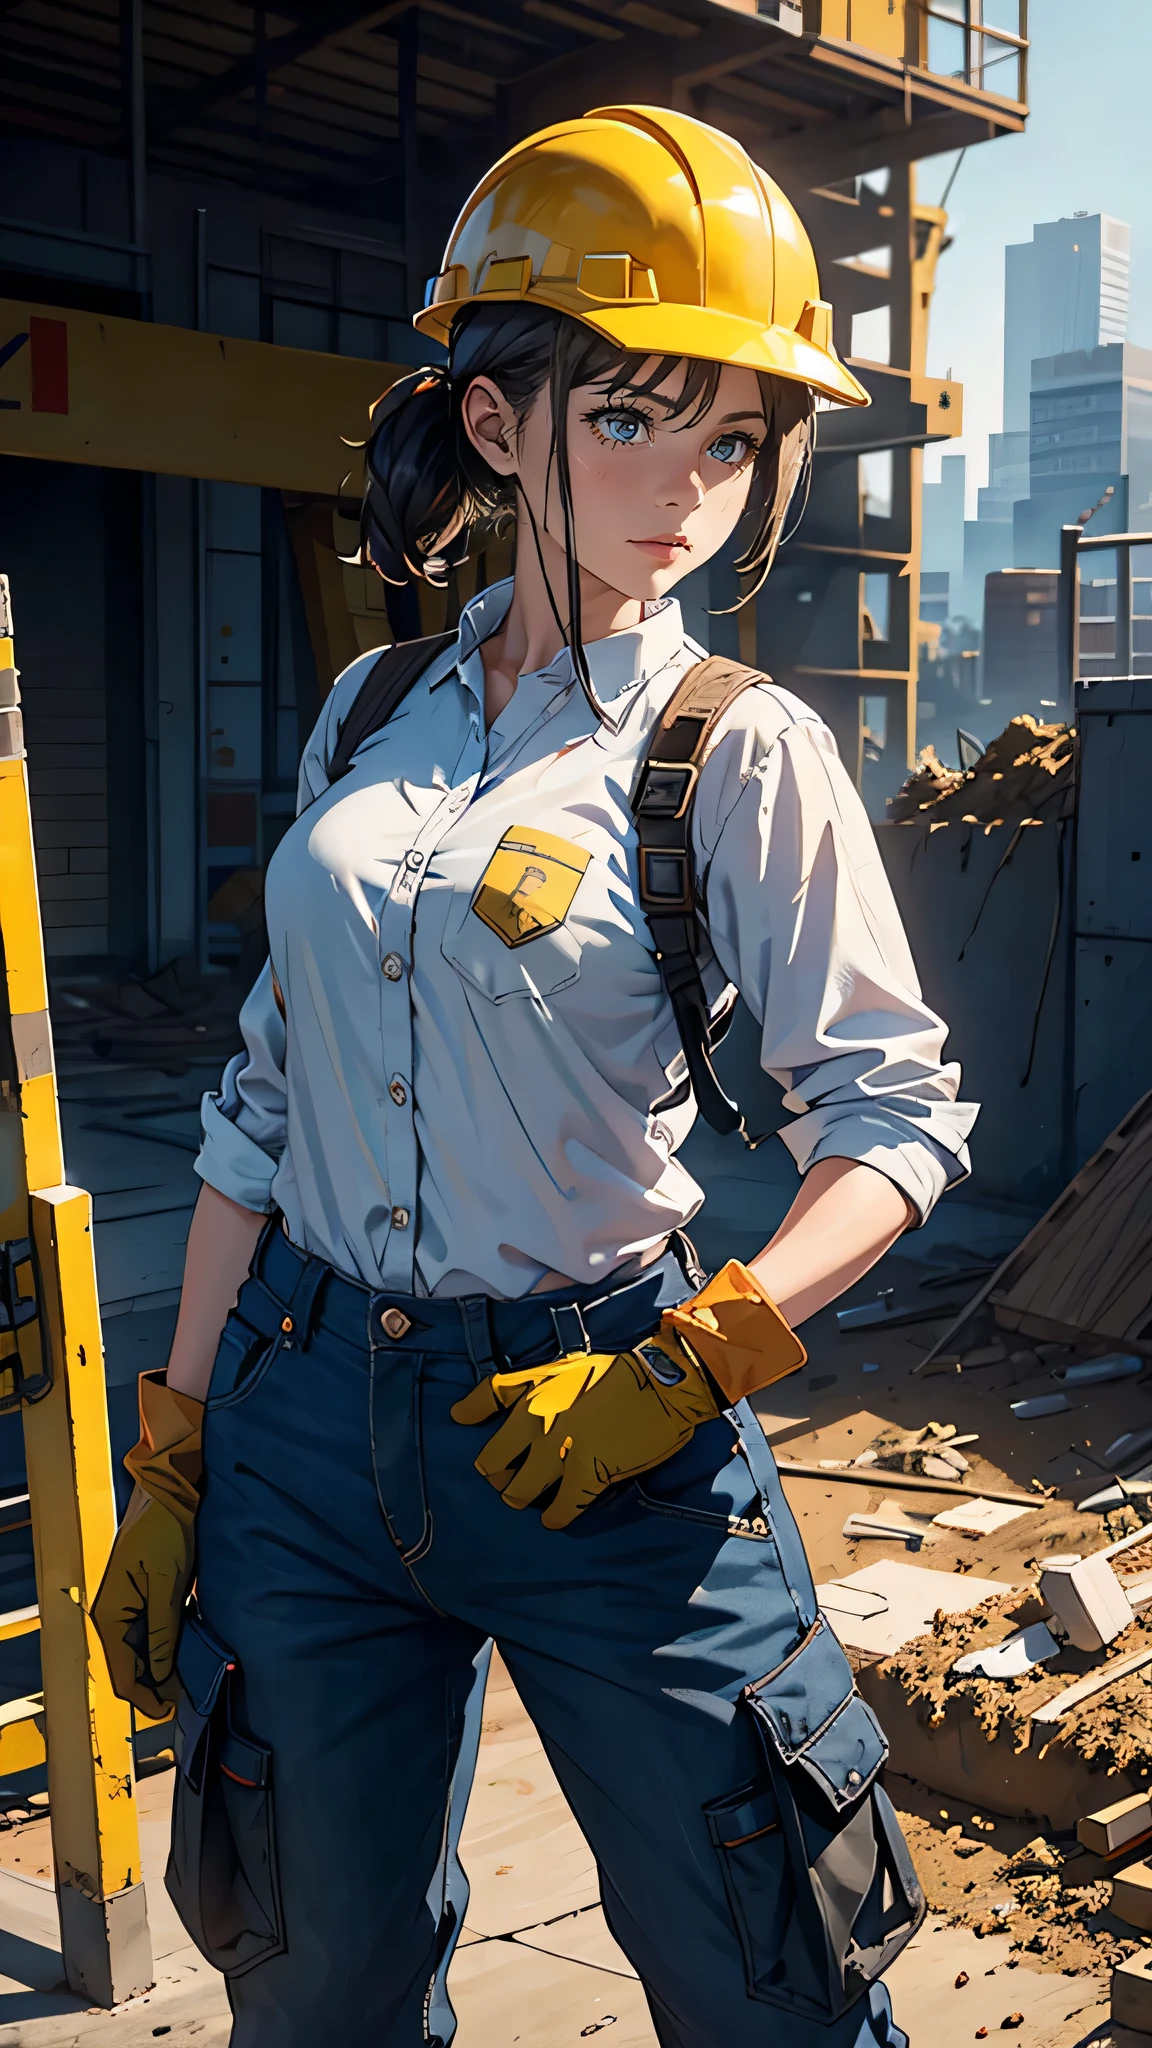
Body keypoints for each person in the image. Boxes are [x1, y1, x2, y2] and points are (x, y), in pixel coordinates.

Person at [94, 104, 976, 2048]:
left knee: (775, 1981)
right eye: (631, 417)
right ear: (501, 425)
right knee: (311, 1981)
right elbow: (261, 1098)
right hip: (307, 1419)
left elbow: (896, 1126)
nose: (686, 487)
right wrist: (175, 1452)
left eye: (732, 436)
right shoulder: (370, 703)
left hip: (613, 1418)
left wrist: (695, 1364)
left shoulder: (735, 754)